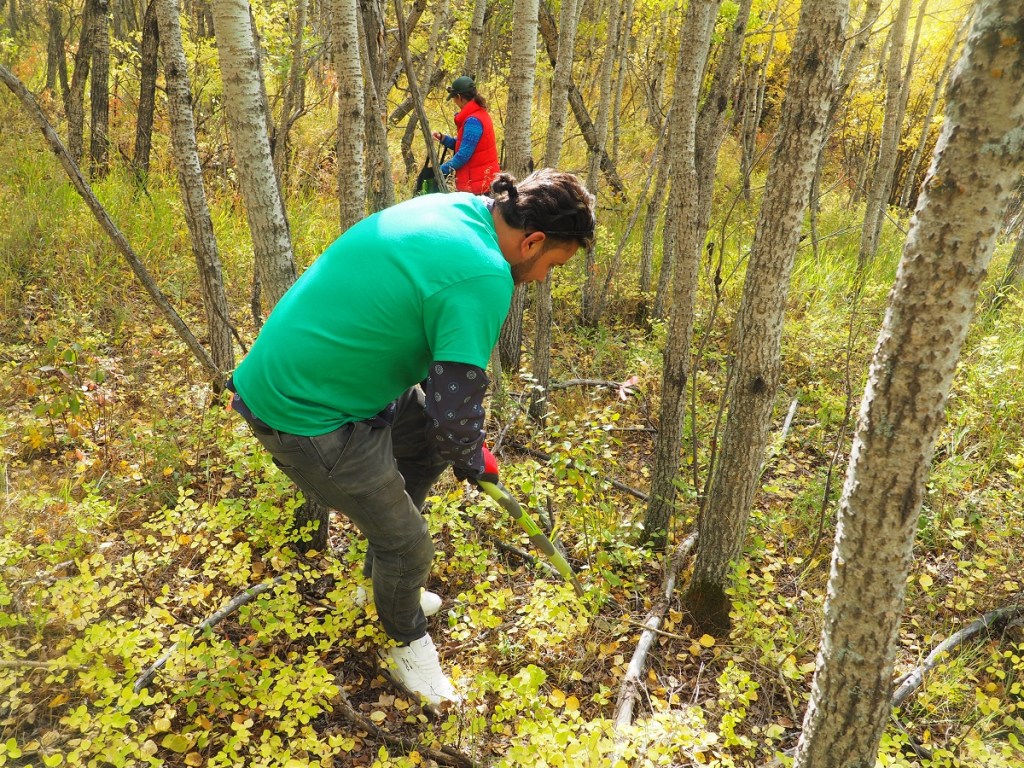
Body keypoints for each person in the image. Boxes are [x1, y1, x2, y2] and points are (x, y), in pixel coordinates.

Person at [227, 169, 595, 707]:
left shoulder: (458, 209)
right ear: (533, 241)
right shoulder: (485, 274)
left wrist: (463, 446)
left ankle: (376, 584)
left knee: (424, 445)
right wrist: (474, 458)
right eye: (552, 266)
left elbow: (443, 406)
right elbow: (455, 411)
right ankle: (406, 647)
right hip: (305, 413)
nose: (542, 279)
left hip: (327, 379)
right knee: (409, 544)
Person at [431, 75, 500, 194]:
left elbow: (463, 155)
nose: (454, 102)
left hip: (479, 187)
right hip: (482, 183)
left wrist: (439, 171)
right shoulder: (479, 114)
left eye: (454, 98)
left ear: (459, 97)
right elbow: (465, 145)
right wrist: (443, 138)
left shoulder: (473, 121)